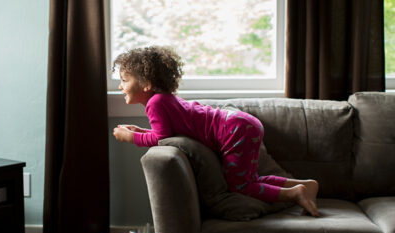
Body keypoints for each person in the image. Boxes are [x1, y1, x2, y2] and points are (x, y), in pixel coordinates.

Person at [112, 46, 320, 217]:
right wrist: (140, 130)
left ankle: (293, 194)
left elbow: (161, 137)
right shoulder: (163, 99)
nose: (121, 86)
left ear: (146, 83)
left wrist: (131, 138)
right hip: (241, 125)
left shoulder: (155, 103)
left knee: (240, 186)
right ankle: (303, 185)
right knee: (250, 179)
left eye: (124, 80)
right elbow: (165, 131)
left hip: (235, 130)